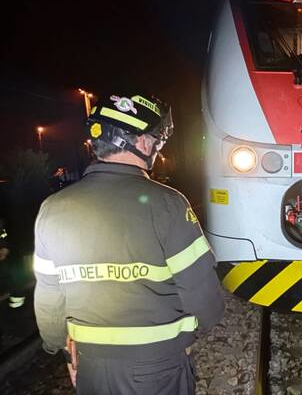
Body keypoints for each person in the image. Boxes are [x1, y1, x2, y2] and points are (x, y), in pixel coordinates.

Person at [33, 92, 225, 395]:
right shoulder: (168, 204)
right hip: (157, 367)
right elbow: (203, 294)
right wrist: (197, 330)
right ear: (139, 141)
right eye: (154, 138)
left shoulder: (52, 208)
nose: (156, 146)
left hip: (90, 367)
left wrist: (59, 347)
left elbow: (48, 296)